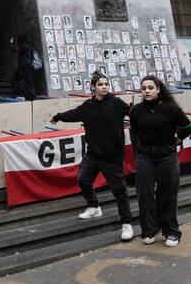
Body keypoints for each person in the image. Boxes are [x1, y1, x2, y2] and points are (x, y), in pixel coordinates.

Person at [50, 72, 133, 241]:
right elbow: (72, 114)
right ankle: (94, 206)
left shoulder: (116, 103)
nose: (104, 87)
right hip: (93, 154)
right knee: (83, 180)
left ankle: (127, 224)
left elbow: (133, 113)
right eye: (101, 84)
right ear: (93, 87)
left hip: (112, 157)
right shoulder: (87, 106)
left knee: (119, 191)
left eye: (106, 84)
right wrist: (58, 117)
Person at [129, 75, 191, 247]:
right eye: (144, 88)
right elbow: (134, 132)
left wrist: (177, 140)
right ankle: (149, 231)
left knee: (168, 194)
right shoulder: (136, 111)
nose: (147, 91)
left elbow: (187, 128)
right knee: (145, 194)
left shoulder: (170, 108)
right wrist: (138, 151)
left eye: (150, 87)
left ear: (158, 89)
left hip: (167, 156)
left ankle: (171, 232)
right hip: (145, 157)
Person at [10, 35, 36, 100]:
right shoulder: (28, 46)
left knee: (28, 81)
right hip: (24, 66)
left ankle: (30, 96)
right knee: (15, 80)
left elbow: (15, 49)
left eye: (18, 40)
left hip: (25, 66)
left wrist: (11, 43)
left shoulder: (24, 45)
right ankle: (23, 95)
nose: (18, 41)